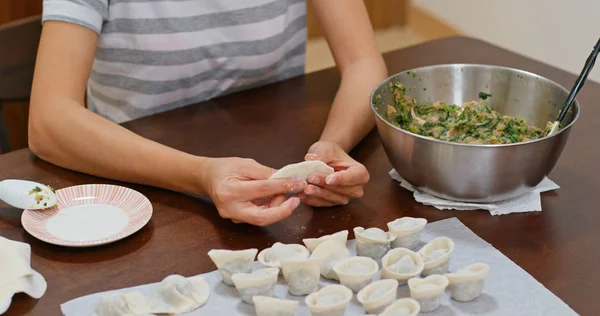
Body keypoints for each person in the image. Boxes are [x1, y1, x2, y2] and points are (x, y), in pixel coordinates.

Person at [28, 0, 388, 226]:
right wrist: (201, 175)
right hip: (141, 191)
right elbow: (49, 120)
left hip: (280, 186)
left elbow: (363, 63)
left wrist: (332, 146)